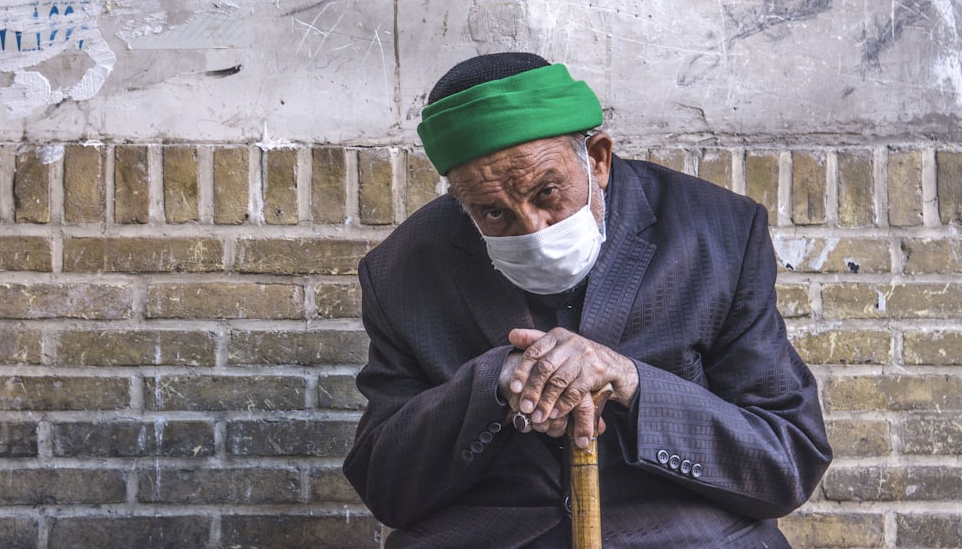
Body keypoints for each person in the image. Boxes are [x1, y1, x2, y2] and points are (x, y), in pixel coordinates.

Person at [342, 52, 832, 548]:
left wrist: (632, 382)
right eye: (492, 213)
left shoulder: (717, 232)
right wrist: (496, 380)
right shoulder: (403, 270)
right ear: (459, 198)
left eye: (547, 191)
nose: (534, 228)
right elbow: (388, 489)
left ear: (597, 158)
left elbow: (787, 460)